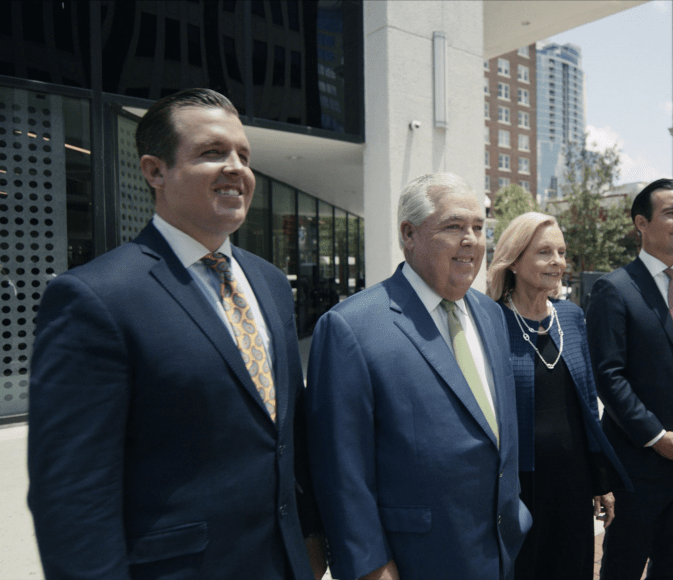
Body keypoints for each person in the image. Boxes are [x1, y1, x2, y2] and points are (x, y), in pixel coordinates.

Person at [26, 88, 324, 580]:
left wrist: (312, 542)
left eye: (243, 156)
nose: (237, 169)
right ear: (154, 170)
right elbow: (71, 495)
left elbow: (288, 436)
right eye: (212, 153)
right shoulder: (94, 298)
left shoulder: (270, 282)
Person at [305, 173, 530, 580]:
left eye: (479, 228)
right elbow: (341, 468)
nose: (472, 240)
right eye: (454, 226)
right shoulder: (350, 327)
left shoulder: (492, 315)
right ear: (408, 234)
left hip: (498, 554)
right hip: (415, 561)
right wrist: (370, 566)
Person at [587, 179, 673, 580]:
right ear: (641, 223)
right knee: (623, 567)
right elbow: (609, 378)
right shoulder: (613, 290)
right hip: (636, 467)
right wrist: (656, 437)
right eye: (671, 212)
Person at [486, 212, 630, 580]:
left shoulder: (571, 316)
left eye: (562, 252)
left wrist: (600, 482)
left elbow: (586, 408)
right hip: (519, 485)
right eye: (544, 252)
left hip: (573, 480)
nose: (558, 262)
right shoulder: (489, 321)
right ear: (514, 261)